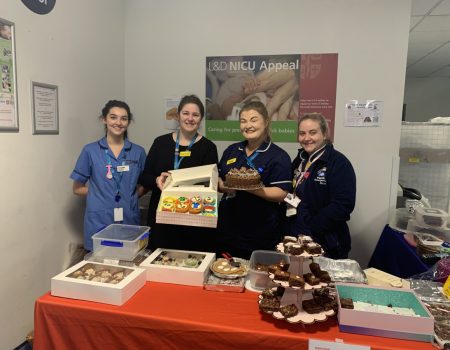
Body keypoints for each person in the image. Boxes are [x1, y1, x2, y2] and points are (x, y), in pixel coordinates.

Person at [140, 94, 218, 252]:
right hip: (162, 217)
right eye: (186, 113)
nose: (190, 118)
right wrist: (156, 180)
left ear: (201, 118)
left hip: (193, 219)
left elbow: (211, 185)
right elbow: (144, 176)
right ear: (178, 116)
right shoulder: (160, 143)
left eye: (195, 115)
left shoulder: (208, 147)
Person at [217, 101, 292, 259]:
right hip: (228, 230)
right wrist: (224, 187)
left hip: (260, 233)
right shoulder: (232, 150)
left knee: (257, 280)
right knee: (226, 275)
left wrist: (251, 188)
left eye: (253, 120)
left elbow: (281, 193)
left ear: (265, 122)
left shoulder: (278, 156)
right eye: (243, 121)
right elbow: (218, 177)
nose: (248, 125)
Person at [70, 100, 147, 251]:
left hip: (128, 220)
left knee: (130, 263)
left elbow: (146, 184)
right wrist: (99, 195)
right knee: (101, 269)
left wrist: (129, 196)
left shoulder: (138, 152)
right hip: (99, 221)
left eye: (123, 118)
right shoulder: (90, 151)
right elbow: (77, 188)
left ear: (128, 122)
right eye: (113, 117)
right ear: (104, 119)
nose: (118, 122)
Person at [288, 113, 356, 259]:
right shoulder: (300, 160)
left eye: (313, 132)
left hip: (324, 242)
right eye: (302, 134)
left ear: (325, 134)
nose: (306, 138)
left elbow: (343, 205)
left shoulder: (338, 163)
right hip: (296, 237)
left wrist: (313, 228)